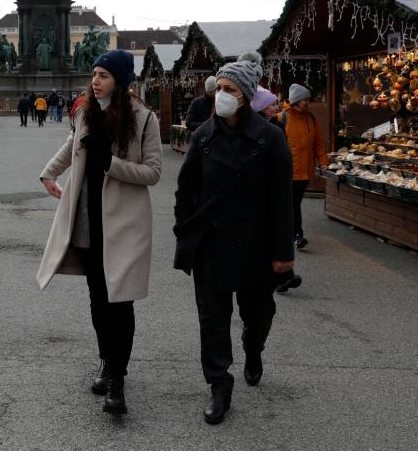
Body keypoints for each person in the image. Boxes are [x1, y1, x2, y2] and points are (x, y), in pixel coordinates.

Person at [38, 50, 163, 416]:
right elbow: (70, 146)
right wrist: (49, 172)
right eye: (94, 73)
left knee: (119, 303)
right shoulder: (84, 111)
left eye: (104, 75)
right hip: (88, 220)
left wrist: (111, 163)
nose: (96, 80)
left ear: (120, 81)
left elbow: (154, 172)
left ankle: (118, 381)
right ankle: (107, 362)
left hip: (123, 225)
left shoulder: (143, 118)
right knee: (97, 300)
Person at [173, 51, 294, 425]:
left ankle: (253, 348)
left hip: (256, 245)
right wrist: (185, 232)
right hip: (212, 244)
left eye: (228, 89)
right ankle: (219, 386)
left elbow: (282, 200)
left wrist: (282, 253)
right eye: (218, 88)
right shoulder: (204, 136)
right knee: (212, 321)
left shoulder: (271, 138)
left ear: (244, 94)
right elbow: (185, 191)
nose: (220, 95)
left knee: (258, 315)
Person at [252, 87, 303, 293]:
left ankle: (283, 275)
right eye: (272, 104)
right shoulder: (256, 129)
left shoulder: (277, 126)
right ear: (262, 107)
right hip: (261, 190)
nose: (277, 107)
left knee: (277, 231)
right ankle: (280, 276)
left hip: (276, 185)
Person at [281, 84, 329, 250]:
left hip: (305, 171)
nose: (308, 102)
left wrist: (323, 162)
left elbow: (318, 143)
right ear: (296, 101)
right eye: (305, 99)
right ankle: (297, 234)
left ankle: (288, 232)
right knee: (293, 203)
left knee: (294, 202)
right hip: (288, 171)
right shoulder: (283, 118)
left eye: (308, 99)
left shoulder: (311, 119)